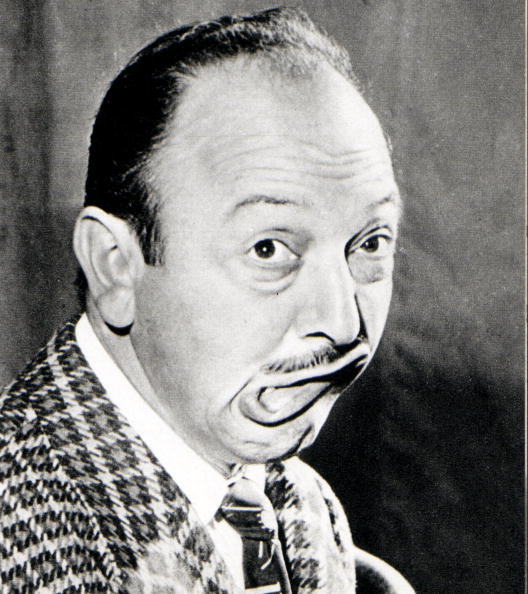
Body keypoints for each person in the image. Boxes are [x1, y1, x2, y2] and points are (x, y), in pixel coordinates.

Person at [0, 7, 414, 593]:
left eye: (370, 243)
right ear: (115, 267)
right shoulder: (21, 537)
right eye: (269, 249)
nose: (345, 323)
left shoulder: (300, 503)